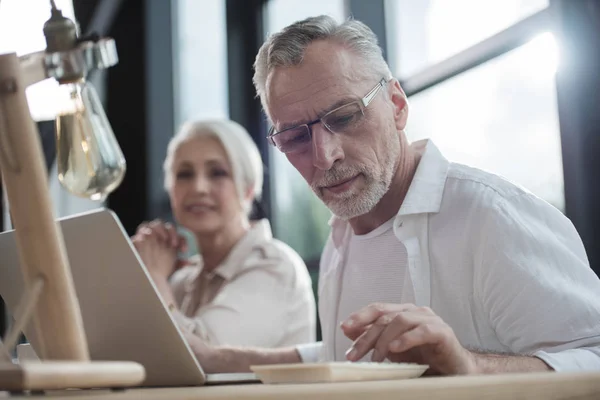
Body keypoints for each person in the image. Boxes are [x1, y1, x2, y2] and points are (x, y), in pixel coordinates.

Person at [182, 16, 600, 375]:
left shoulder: (490, 216)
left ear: (398, 104)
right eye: (294, 137)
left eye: (344, 117)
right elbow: (345, 361)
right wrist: (220, 358)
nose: (324, 157)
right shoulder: (342, 236)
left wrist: (471, 367)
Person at [132, 119, 316, 348]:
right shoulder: (182, 281)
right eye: (185, 174)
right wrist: (138, 271)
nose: (198, 187)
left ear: (248, 189)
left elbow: (203, 356)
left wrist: (154, 276)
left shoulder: (275, 267)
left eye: (217, 173)